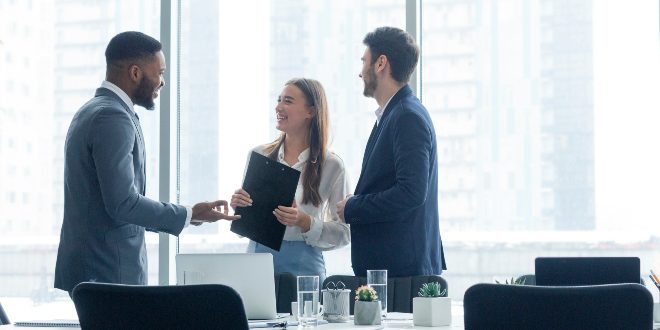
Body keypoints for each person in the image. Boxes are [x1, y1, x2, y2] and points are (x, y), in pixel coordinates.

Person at [54, 31, 240, 295]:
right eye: (160, 73)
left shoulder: (92, 110)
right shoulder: (112, 117)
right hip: (108, 272)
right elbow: (123, 204)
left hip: (96, 270)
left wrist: (190, 215)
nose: (162, 82)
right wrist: (188, 214)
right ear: (135, 73)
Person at [336, 27, 446, 277]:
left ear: (381, 63)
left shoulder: (406, 116)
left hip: (401, 272)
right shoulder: (397, 113)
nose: (360, 72)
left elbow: (411, 192)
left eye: (364, 61)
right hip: (395, 267)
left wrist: (353, 207)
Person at [231, 78, 350, 284]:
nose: (278, 107)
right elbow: (244, 222)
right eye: (279, 100)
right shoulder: (259, 155)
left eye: (288, 101)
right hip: (258, 259)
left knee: (305, 317)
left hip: (304, 264)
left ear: (311, 111)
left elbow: (344, 233)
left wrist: (305, 222)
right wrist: (240, 207)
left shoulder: (332, 165)